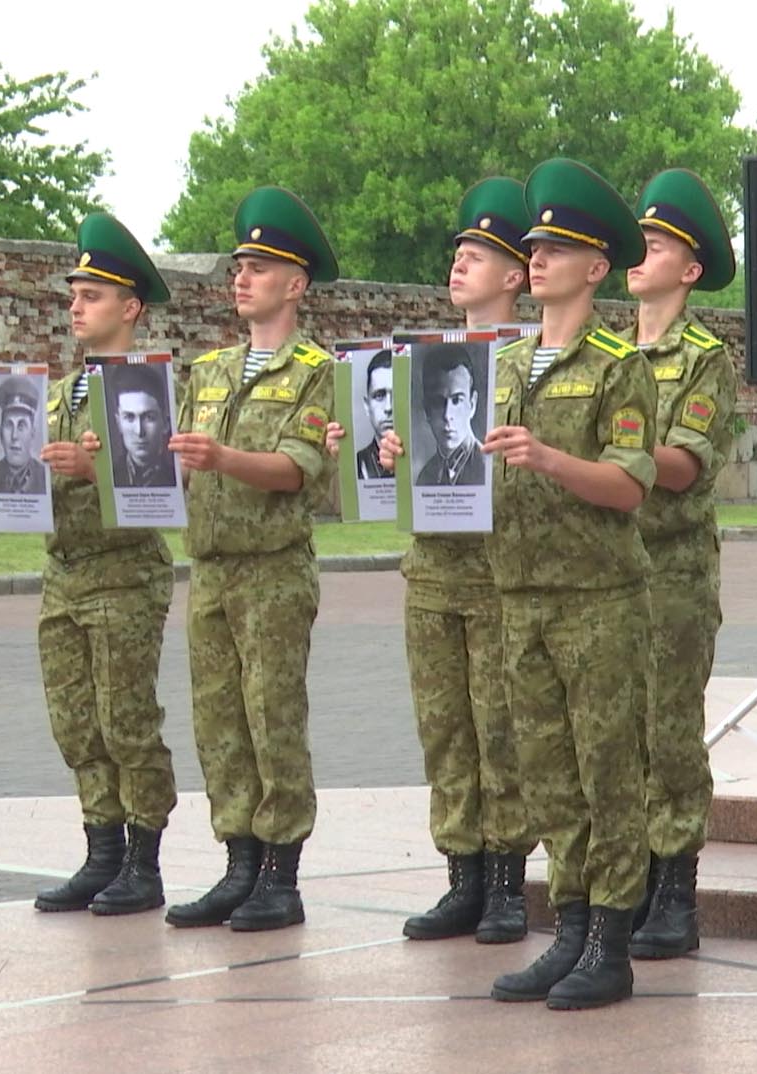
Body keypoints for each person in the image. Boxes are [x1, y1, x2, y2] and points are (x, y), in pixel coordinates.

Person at [325, 177, 534, 945]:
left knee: (501, 729)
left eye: (476, 255)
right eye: (457, 254)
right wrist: (388, 455)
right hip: (434, 567)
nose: (459, 266)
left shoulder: (531, 359)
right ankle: (463, 875)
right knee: (446, 729)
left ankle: (509, 880)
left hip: (502, 570)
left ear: (515, 276)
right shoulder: (421, 361)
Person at [483, 158, 658, 1011]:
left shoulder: (621, 366)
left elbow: (629, 486)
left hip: (597, 601)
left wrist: (550, 458)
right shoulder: (508, 364)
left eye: (557, 246)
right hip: (521, 599)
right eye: (534, 245)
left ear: (596, 267)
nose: (537, 256)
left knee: (608, 772)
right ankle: (570, 929)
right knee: (548, 775)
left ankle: (612, 943)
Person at [0, 212, 178, 916]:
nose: (76, 307)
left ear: (130, 307)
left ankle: (144, 863)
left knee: (126, 722)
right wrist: (0, 470)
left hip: (124, 575)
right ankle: (102, 851)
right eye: (73, 294)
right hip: (65, 576)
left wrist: (97, 469)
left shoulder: (147, 390)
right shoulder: (51, 396)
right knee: (76, 723)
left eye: (92, 295)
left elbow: (160, 488)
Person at [159, 186, 338, 933]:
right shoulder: (208, 371)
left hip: (271, 569)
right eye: (239, 266)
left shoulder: (318, 372)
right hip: (211, 568)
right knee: (219, 722)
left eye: (260, 267)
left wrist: (226, 456)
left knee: (272, 717)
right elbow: (172, 466)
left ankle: (280, 874)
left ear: (295, 285)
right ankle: (238, 863)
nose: (242, 278)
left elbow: (298, 469)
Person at [624, 168, 739, 960]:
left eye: (656, 244)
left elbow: (687, 464)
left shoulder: (702, 359)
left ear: (690, 270)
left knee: (667, 734)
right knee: (612, 733)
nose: (639, 253)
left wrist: (609, 455)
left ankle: (673, 890)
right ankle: (624, 881)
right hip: (600, 570)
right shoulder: (599, 353)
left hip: (669, 571)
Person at [415, 344, 486, 487]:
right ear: (427, 409)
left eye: (456, 400)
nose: (447, 416)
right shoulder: (425, 477)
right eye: (438, 402)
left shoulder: (487, 469)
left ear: (472, 404)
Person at [107, 363, 178, 488]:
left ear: (165, 423)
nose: (139, 431)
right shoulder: (107, 478)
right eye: (129, 417)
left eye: (149, 417)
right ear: (118, 423)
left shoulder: (178, 479)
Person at [0, 377, 48, 494]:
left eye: (21, 426)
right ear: (0, 432)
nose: (14, 436)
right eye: (9, 425)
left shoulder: (45, 478)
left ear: (32, 432)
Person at [356, 349, 393, 480]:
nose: (389, 407)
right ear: (367, 406)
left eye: (397, 395)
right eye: (379, 396)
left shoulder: (428, 471)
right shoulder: (354, 465)